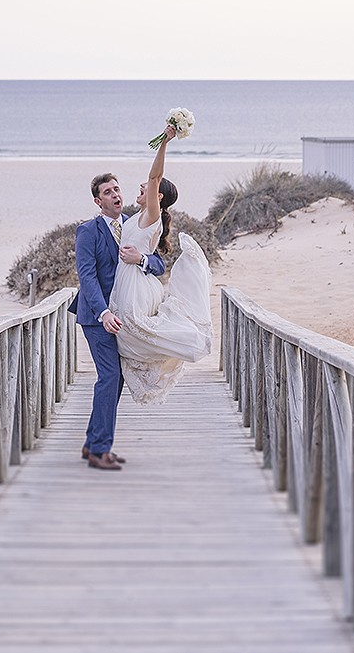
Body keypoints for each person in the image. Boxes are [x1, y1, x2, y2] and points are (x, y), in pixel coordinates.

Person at [108, 123, 213, 405]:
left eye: (146, 188)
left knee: (134, 329)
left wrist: (165, 140)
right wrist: (141, 258)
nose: (141, 187)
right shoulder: (136, 217)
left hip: (135, 286)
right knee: (128, 334)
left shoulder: (151, 216)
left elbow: (154, 177)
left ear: (158, 197)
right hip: (129, 278)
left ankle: (184, 342)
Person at [70, 170, 167, 471]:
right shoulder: (88, 231)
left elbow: (159, 263)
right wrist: (103, 312)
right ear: (98, 201)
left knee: (116, 379)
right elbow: (86, 277)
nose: (115, 195)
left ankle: (93, 443)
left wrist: (141, 259)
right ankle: (100, 450)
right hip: (97, 317)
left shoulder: (134, 225)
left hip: (126, 317)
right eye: (108, 192)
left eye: (117, 189)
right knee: (110, 377)